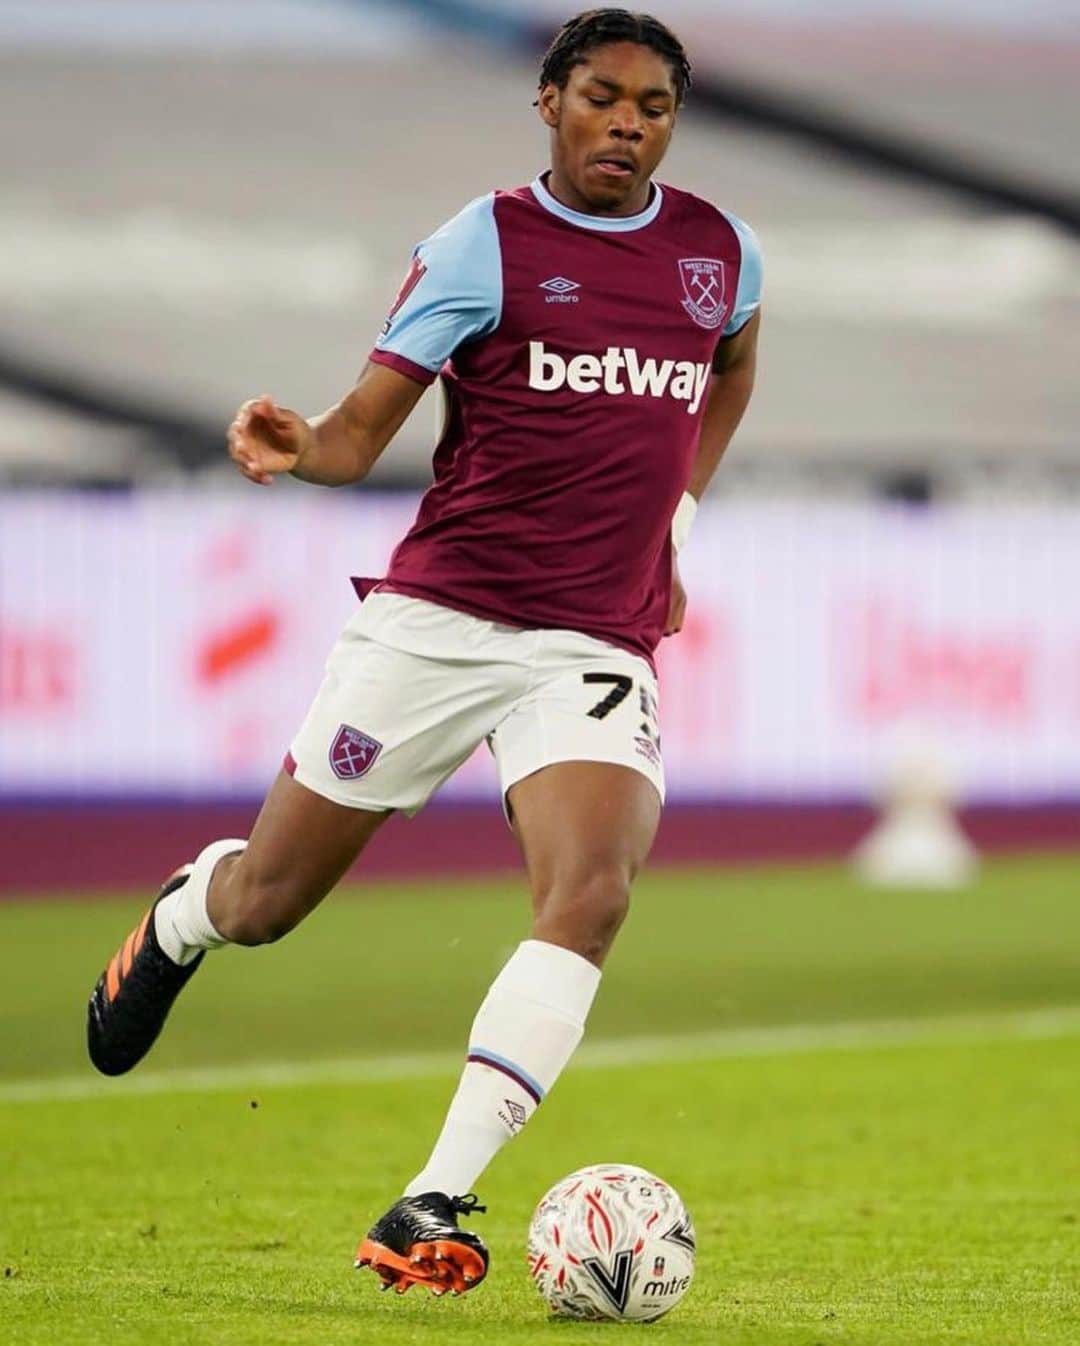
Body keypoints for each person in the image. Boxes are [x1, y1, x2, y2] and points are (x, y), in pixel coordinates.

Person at [85, 7, 762, 1300]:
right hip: (440, 622)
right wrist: (301, 449)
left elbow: (733, 363)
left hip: (592, 637)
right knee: (272, 901)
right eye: (603, 97)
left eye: (655, 106)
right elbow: (354, 435)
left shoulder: (718, 253)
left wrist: (678, 516)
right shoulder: (483, 245)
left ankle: (431, 1195)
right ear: (550, 103)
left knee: (594, 894)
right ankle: (186, 915)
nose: (629, 123)